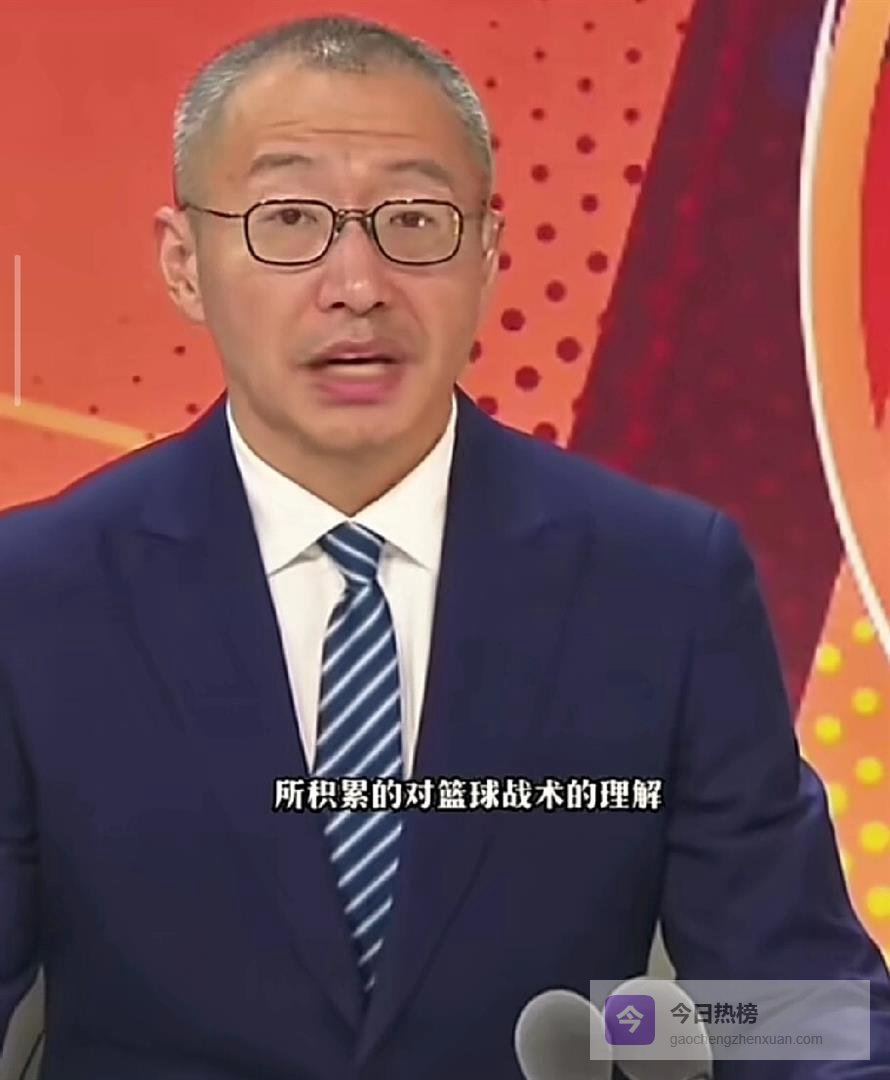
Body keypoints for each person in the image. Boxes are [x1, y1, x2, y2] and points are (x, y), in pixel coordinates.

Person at [0, 13, 888, 1080]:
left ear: (487, 257)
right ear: (184, 264)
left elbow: (803, 1011)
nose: (357, 284)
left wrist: (638, 1036)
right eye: (289, 220)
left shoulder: (662, 585)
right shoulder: (36, 596)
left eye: (415, 222)